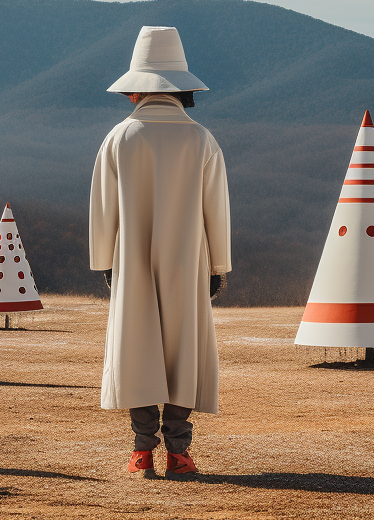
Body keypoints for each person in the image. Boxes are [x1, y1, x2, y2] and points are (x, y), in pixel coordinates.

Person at [90, 26, 231, 478]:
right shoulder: (201, 139)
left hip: (131, 260)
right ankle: (180, 452)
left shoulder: (119, 138)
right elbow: (217, 211)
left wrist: (105, 262)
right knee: (181, 353)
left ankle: (141, 451)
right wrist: (218, 266)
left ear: (136, 90)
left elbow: (103, 208)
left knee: (138, 349)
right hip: (190, 262)